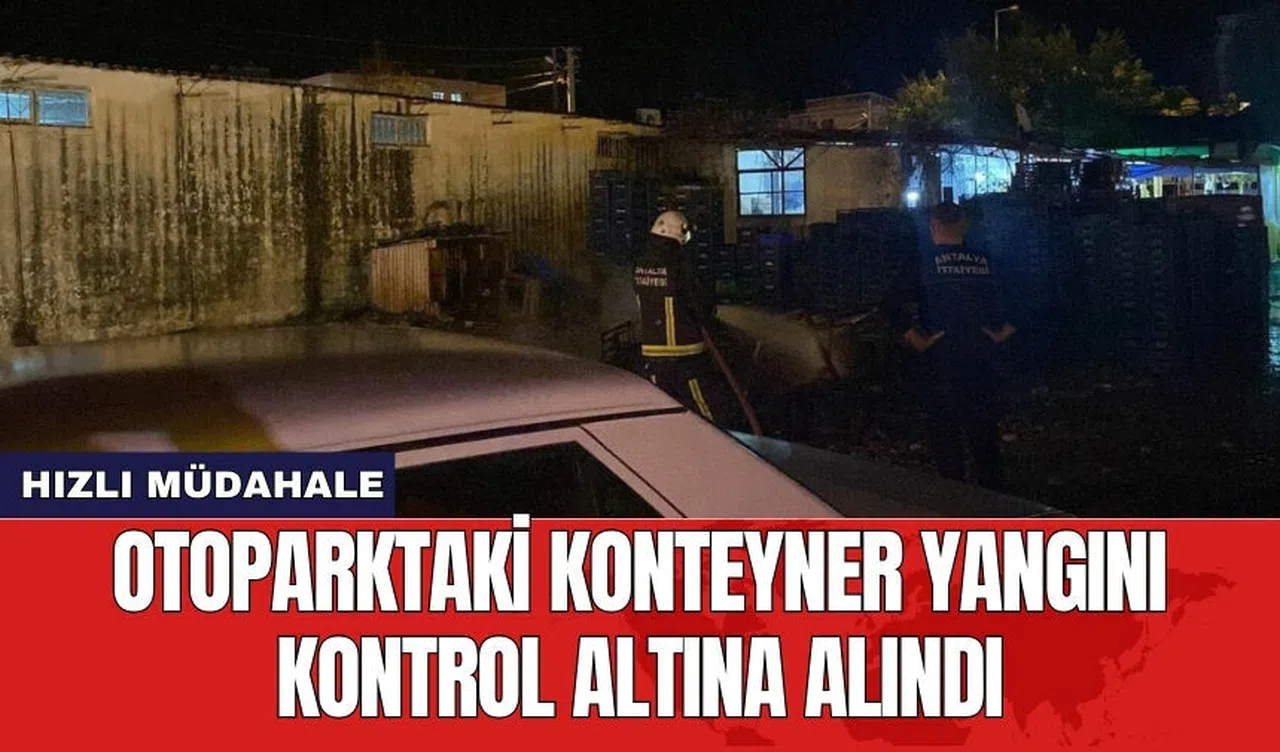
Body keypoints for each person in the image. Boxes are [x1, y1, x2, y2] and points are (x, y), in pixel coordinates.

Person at [886, 201, 1017, 490]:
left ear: (933, 227)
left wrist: (917, 340)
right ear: (964, 226)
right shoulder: (986, 261)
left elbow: (890, 303)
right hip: (982, 358)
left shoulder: (924, 264)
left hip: (941, 359)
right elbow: (1021, 294)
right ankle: (993, 496)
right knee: (984, 431)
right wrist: (1001, 332)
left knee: (945, 432)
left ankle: (953, 495)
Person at [633, 211, 744, 430]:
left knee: (665, 417)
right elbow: (700, 303)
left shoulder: (639, 265)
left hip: (652, 359)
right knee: (711, 414)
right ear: (679, 232)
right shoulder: (679, 265)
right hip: (686, 357)